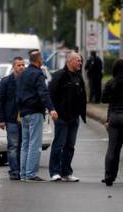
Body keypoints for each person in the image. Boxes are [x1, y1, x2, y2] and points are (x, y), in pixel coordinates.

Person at [16, 50, 58, 182]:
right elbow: (43, 93)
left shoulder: (23, 74)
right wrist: (51, 109)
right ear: (38, 60)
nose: (43, 60)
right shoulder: (38, 74)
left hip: (24, 113)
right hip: (35, 112)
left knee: (25, 144)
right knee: (35, 144)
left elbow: (18, 93)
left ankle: (23, 174)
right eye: (41, 58)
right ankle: (31, 174)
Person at [48, 52, 86, 182]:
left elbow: (82, 95)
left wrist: (82, 112)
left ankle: (67, 172)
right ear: (69, 62)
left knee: (70, 146)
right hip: (61, 117)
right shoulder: (59, 76)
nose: (80, 63)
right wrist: (52, 110)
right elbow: (51, 94)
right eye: (78, 61)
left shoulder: (78, 77)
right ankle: (54, 172)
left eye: (80, 61)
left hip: (74, 117)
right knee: (59, 144)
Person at [102, 59, 123, 186]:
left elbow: (103, 99)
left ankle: (108, 176)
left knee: (112, 147)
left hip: (114, 117)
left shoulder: (111, 82)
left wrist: (114, 99)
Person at [0, 56, 25, 180]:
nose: (22, 67)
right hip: (11, 119)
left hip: (25, 119)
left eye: (23, 65)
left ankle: (22, 170)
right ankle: (14, 171)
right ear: (14, 67)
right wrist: (1, 120)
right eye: (19, 65)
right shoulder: (6, 82)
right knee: (13, 146)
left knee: (23, 146)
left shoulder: (28, 81)